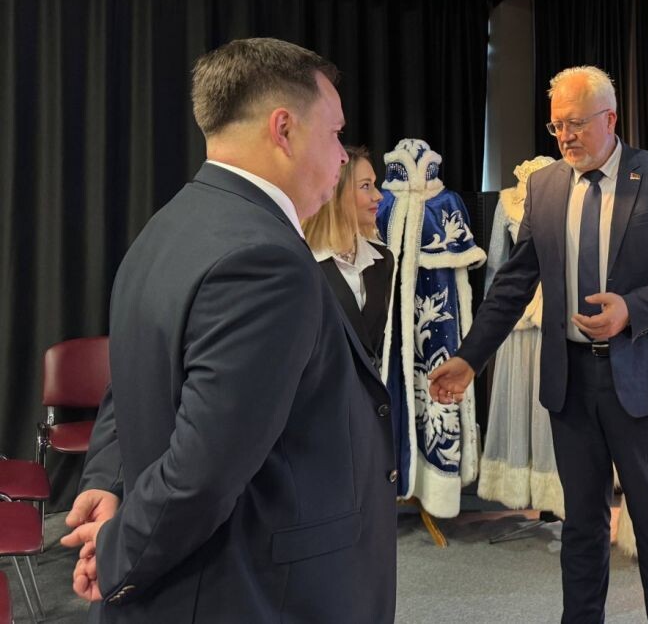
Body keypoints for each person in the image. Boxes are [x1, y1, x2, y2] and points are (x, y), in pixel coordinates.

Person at [61, 38, 398, 623]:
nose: (343, 157)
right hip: (249, 591)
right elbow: (202, 472)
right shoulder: (265, 258)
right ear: (284, 129)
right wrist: (115, 554)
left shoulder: (168, 226)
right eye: (334, 134)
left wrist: (108, 481)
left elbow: (134, 381)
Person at [429, 66, 648, 623]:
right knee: (581, 528)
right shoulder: (545, 187)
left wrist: (632, 309)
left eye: (576, 124)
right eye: (557, 125)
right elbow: (514, 283)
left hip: (642, 384)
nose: (565, 137)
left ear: (611, 119)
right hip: (571, 386)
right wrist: (469, 357)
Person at [303, 145, 395, 369]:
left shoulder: (383, 260)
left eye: (374, 184)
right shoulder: (301, 263)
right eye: (366, 186)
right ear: (334, 193)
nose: (378, 196)